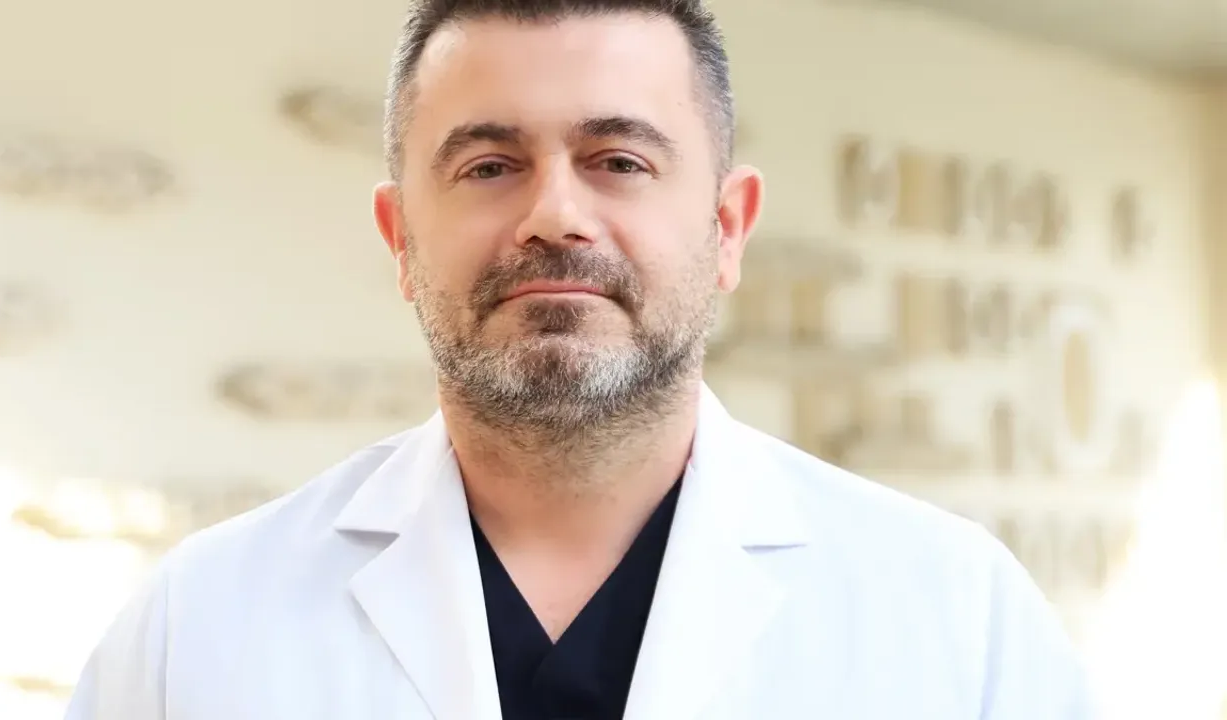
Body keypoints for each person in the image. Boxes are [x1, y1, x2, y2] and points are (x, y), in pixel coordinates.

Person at [64, 1, 1097, 718]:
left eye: (618, 161)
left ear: (728, 228)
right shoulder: (197, 629)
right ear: (399, 239)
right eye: (488, 165)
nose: (554, 214)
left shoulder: (956, 619)